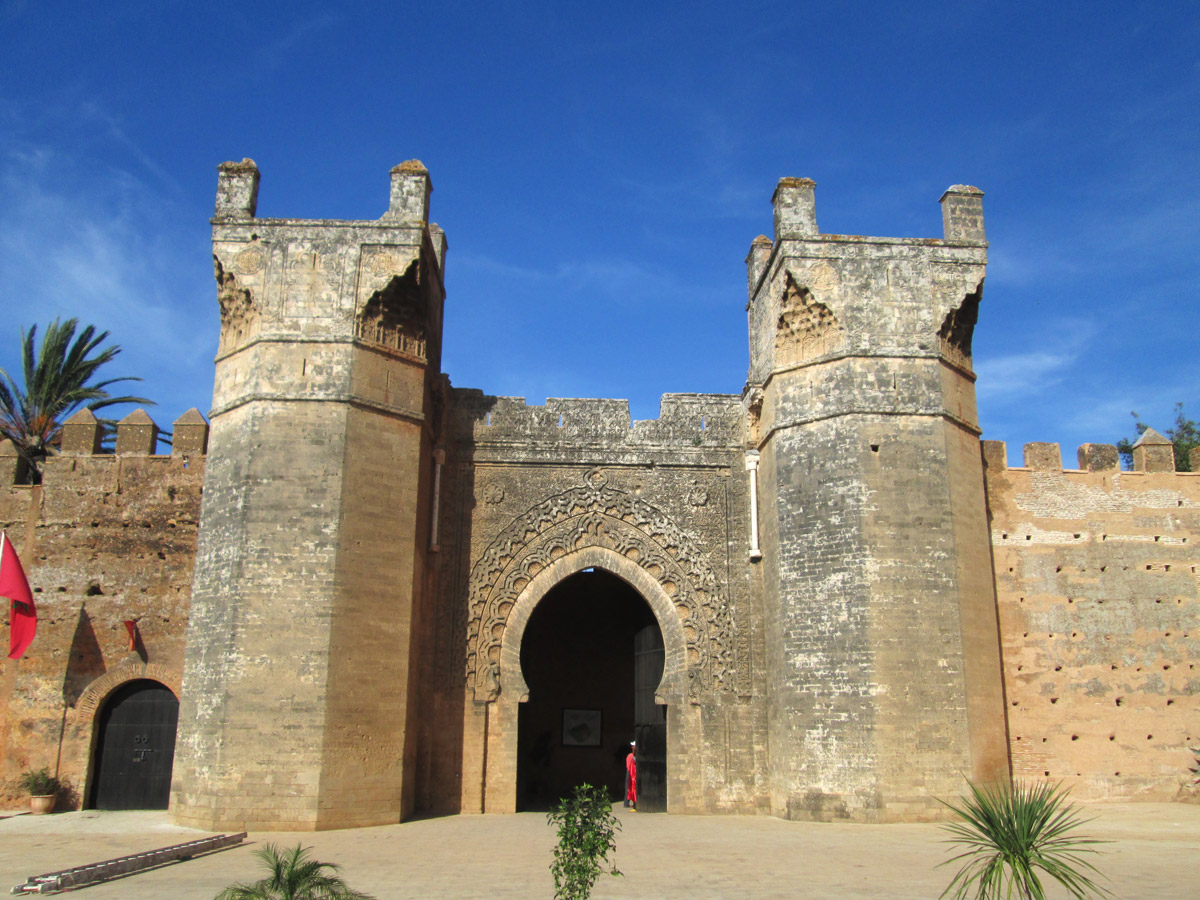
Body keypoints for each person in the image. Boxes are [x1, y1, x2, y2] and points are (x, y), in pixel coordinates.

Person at [624, 740, 637, 810]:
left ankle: (627, 802)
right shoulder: (631, 756)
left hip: (630, 772)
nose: (632, 747)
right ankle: (626, 802)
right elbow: (629, 766)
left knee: (629, 787)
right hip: (631, 772)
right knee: (629, 787)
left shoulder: (630, 755)